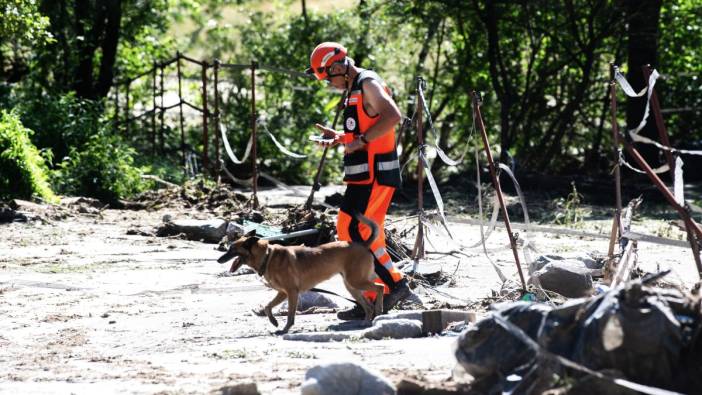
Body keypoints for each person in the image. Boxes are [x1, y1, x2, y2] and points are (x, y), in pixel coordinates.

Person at [305, 42, 413, 320]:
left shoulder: (367, 83)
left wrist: (361, 140)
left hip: (375, 175)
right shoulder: (355, 88)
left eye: (329, 77)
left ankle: (392, 287)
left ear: (339, 66)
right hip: (364, 176)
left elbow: (393, 116)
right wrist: (341, 138)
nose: (329, 83)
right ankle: (377, 294)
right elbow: (366, 128)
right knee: (363, 233)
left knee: (353, 231)